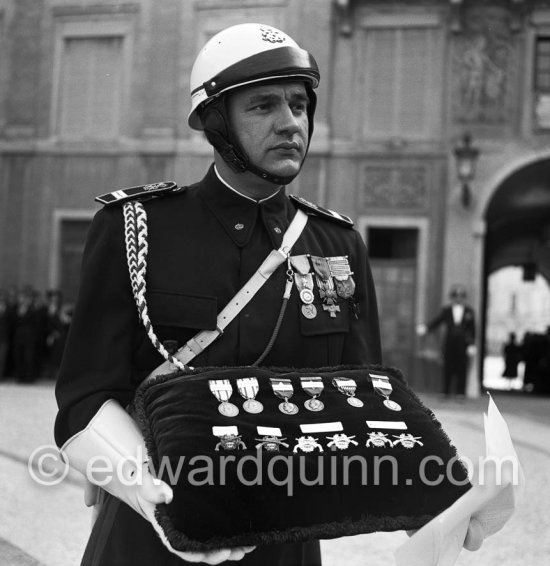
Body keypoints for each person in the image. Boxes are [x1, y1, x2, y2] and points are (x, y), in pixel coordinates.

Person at [54, 23, 483, 566]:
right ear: (216, 122)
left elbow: (364, 402)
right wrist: (148, 492)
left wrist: (434, 500)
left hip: (286, 548)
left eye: (299, 105)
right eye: (263, 107)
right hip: (150, 538)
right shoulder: (135, 228)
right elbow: (83, 399)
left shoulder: (338, 243)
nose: (290, 123)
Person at [417, 284, 476, 398]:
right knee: (448, 366)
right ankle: (446, 391)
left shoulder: (469, 311)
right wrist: (426, 328)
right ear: (452, 297)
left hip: (463, 343)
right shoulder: (447, 310)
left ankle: (460, 392)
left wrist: (472, 344)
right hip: (449, 342)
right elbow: (438, 321)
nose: (458, 298)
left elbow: (472, 329)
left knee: (462, 367)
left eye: (461, 296)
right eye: (456, 296)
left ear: (464, 298)